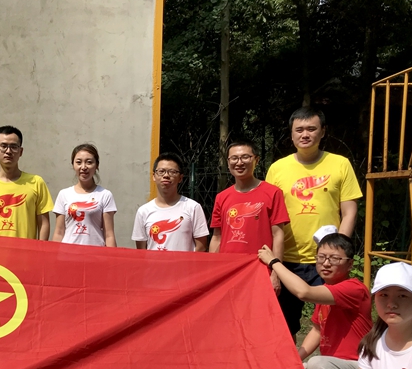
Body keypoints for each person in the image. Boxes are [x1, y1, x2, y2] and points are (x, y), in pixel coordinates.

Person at [266, 107, 363, 337]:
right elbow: (270, 218)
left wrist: (338, 252)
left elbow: (349, 212)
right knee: (282, 325)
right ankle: (288, 360)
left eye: (311, 129)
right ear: (291, 134)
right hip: (286, 260)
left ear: (323, 132)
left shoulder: (340, 164)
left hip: (327, 259)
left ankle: (332, 359)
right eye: (299, 130)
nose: (305, 134)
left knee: (334, 321)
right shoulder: (277, 169)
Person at [259, 233, 371, 369]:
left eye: (334, 259)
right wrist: (295, 359)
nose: (326, 263)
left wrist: (274, 262)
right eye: (321, 257)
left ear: (350, 264)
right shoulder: (326, 291)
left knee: (318, 365)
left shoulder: (353, 288)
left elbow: (303, 292)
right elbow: (317, 330)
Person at [210, 141, 289, 294]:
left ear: (256, 160)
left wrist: (276, 273)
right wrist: (212, 270)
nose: (239, 162)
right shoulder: (221, 197)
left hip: (259, 269)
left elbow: (278, 235)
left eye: (245, 157)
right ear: (228, 162)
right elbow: (217, 237)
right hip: (227, 271)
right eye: (234, 158)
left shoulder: (272, 193)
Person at [0, 125, 53, 240]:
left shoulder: (36, 182)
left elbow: (43, 222)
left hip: (25, 250)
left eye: (14, 147)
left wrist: (40, 248)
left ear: (21, 151)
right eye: (3, 146)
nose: (8, 151)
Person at [132, 152, 208, 252]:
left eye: (172, 172)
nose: (166, 175)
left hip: (183, 263)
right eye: (161, 171)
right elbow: (141, 250)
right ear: (154, 176)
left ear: (180, 178)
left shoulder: (193, 207)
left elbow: (201, 247)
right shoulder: (143, 211)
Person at [52, 144, 117, 247]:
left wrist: (112, 256)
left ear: (97, 165)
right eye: (78, 162)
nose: (83, 167)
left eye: (89, 162)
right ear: (73, 165)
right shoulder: (64, 194)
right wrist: (54, 254)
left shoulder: (105, 195)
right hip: (68, 253)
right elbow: (59, 232)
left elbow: (109, 235)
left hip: (95, 254)